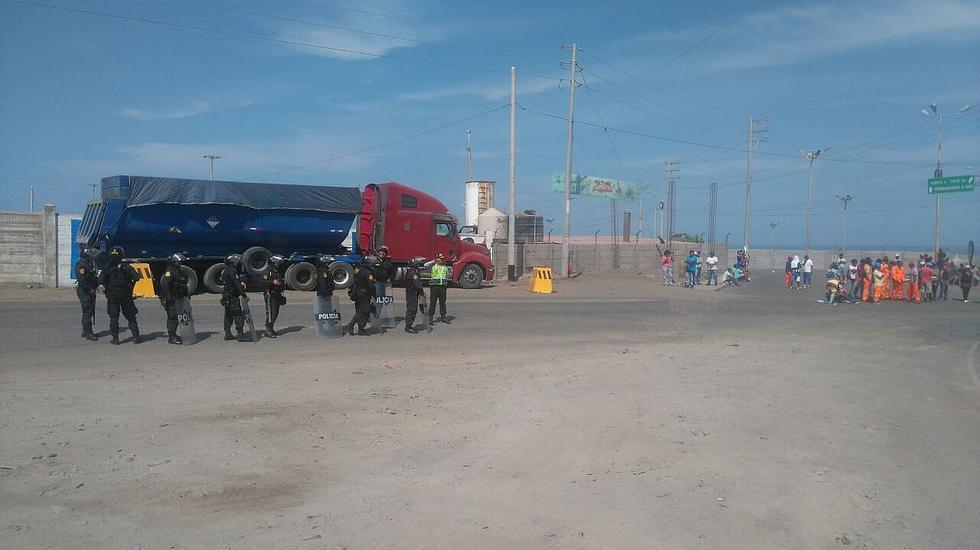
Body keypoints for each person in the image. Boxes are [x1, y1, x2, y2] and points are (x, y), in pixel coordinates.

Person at [99, 246, 141, 345]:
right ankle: (136, 337)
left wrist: (106, 288)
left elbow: (101, 280)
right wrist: (131, 287)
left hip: (112, 296)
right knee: (131, 317)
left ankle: (115, 339)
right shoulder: (126, 267)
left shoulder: (107, 267)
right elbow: (137, 277)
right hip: (125, 295)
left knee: (114, 318)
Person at [158, 253, 189, 344]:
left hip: (180, 297)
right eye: (178, 262)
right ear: (173, 262)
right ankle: (172, 336)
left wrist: (187, 295)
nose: (180, 263)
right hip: (172, 298)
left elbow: (183, 285)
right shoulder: (169, 271)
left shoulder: (179, 271)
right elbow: (165, 285)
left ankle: (175, 334)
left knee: (181, 316)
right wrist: (168, 297)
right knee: (173, 317)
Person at [220, 254, 248, 341]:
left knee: (228, 314)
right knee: (238, 314)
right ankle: (240, 335)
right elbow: (236, 283)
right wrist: (244, 295)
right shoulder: (232, 270)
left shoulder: (225, 270)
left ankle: (227, 334)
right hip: (233, 296)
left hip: (226, 295)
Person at [346, 257, 375, 335]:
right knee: (363, 311)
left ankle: (361, 329)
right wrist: (374, 294)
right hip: (364, 294)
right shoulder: (367, 272)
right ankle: (351, 325)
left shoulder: (358, 268)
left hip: (356, 293)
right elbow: (371, 285)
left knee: (359, 310)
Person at [75, 247, 99, 341]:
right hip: (84, 291)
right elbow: (82, 280)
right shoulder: (82, 265)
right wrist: (90, 289)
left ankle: (85, 331)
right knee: (88, 311)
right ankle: (89, 333)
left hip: (88, 290)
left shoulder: (88, 263)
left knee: (87, 311)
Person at [262, 255, 286, 338]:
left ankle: (271, 328)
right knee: (270, 313)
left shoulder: (277, 271)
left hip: (277, 294)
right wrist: (272, 282)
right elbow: (263, 282)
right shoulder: (268, 271)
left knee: (275, 312)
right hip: (270, 295)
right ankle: (268, 330)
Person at [403, 257, 426, 333]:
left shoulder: (411, 271)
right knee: (412, 309)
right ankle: (408, 327)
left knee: (410, 309)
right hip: (412, 293)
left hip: (410, 292)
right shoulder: (414, 273)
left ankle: (408, 325)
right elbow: (417, 284)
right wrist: (422, 293)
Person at [428, 253, 451, 323]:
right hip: (434, 286)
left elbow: (447, 276)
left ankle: (443, 316)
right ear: (437, 259)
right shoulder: (432, 266)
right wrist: (433, 261)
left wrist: (445, 283)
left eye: (442, 259)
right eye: (440, 259)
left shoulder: (445, 267)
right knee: (433, 302)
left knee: (442, 302)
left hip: (442, 287)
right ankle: (430, 317)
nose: (442, 260)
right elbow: (425, 265)